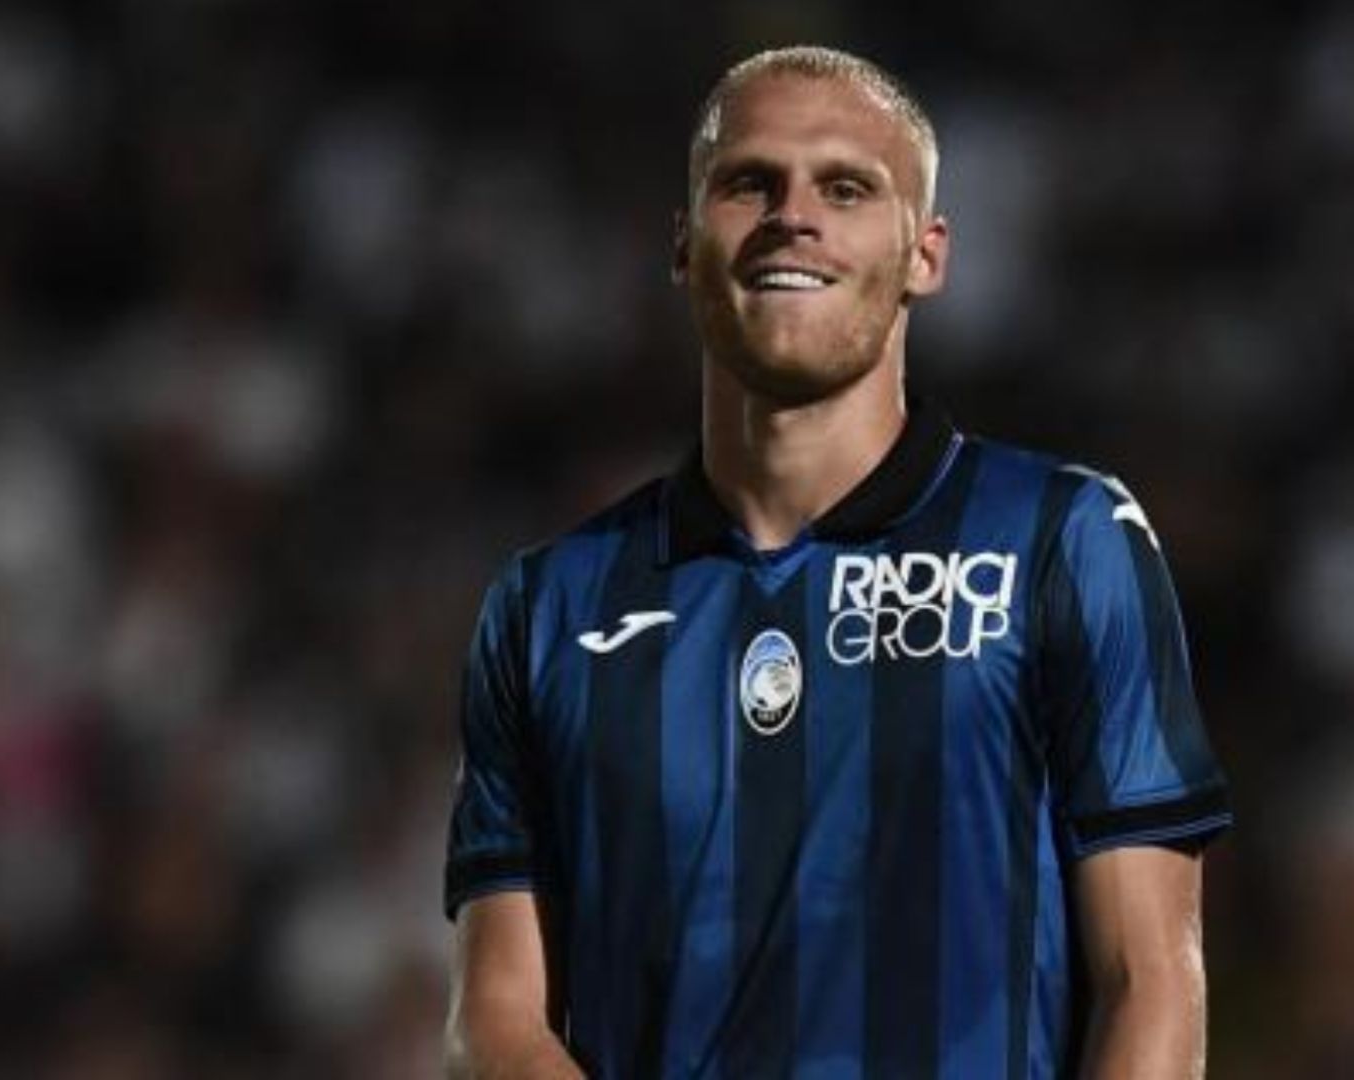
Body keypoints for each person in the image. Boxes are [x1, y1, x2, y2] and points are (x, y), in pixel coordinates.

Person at [442, 45, 1232, 1079]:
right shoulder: (547, 606)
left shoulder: (1062, 540)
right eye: (749, 183)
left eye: (846, 188)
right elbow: (494, 1022)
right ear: (683, 243)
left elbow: (1151, 982)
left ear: (926, 254)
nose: (792, 215)